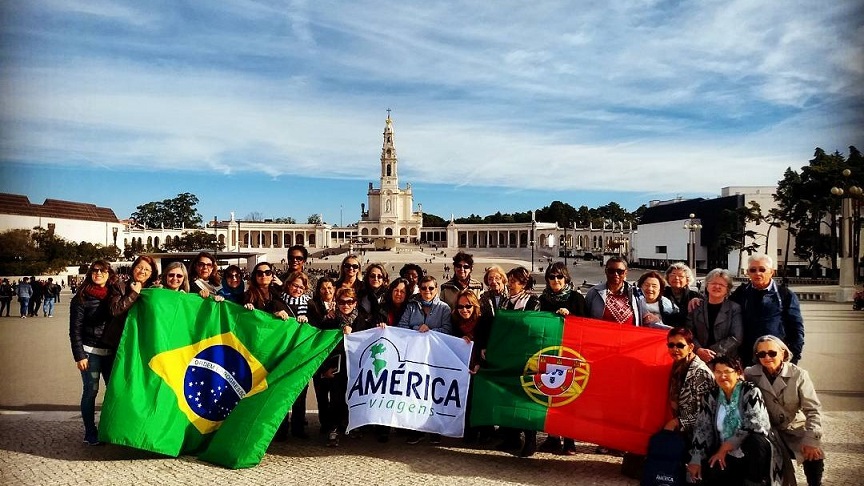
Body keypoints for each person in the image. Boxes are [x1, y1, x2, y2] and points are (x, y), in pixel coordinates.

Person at [745, 335, 824, 486]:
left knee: (815, 453)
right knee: (755, 449)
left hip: (794, 428)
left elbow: (813, 410)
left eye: (772, 353)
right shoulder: (750, 374)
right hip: (768, 430)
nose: (767, 357)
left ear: (783, 353)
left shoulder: (799, 374)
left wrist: (811, 439)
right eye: (761, 354)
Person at [687, 356, 773, 485]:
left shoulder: (750, 391)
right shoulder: (712, 396)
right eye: (718, 372)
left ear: (738, 373)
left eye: (727, 372)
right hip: (723, 451)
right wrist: (696, 459)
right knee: (711, 471)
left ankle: (755, 482)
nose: (722, 376)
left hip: (749, 451)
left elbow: (756, 425)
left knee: (755, 441)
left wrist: (725, 448)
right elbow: (702, 428)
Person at [538, 262, 587, 455]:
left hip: (571, 353)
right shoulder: (543, 299)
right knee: (551, 395)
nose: (555, 280)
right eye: (551, 277)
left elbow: (586, 324)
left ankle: (569, 440)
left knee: (569, 396)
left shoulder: (575, 298)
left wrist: (571, 316)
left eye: (559, 277)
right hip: (550, 352)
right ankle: (552, 438)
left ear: (566, 278)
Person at [69, 260, 121, 445]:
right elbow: (74, 329)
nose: (98, 273)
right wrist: (79, 356)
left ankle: (109, 428)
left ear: (109, 274)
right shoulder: (81, 297)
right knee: (91, 391)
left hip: (111, 352)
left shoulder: (115, 294)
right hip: (90, 352)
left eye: (103, 270)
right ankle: (90, 432)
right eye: (95, 270)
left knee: (114, 391)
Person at [398, 275, 452, 445]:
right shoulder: (412, 307)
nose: (427, 291)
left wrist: (430, 330)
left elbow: (449, 330)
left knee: (434, 393)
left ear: (436, 289)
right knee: (415, 392)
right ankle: (416, 429)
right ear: (419, 290)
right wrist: (417, 328)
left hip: (435, 357)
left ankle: (434, 429)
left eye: (430, 288)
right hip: (415, 356)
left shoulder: (444, 308)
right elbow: (401, 327)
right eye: (423, 288)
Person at [495, 266, 541, 457]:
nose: (510, 284)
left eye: (514, 281)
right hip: (508, 353)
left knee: (526, 396)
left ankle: (530, 439)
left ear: (523, 283)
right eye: (510, 280)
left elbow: (534, 324)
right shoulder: (506, 300)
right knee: (509, 394)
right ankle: (512, 436)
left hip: (526, 354)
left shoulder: (532, 300)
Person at [730, 254, 804, 366]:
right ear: (748, 272)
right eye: (753, 270)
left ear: (771, 272)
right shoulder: (741, 293)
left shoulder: (785, 295)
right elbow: (722, 305)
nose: (758, 273)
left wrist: (793, 356)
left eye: (762, 269)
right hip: (748, 358)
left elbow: (796, 328)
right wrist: (697, 299)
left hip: (775, 357)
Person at [317, 287, 364, 447]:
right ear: (336, 303)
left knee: (353, 397)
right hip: (336, 367)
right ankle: (333, 429)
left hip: (356, 367)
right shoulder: (329, 321)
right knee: (335, 398)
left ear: (355, 303)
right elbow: (321, 347)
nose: (346, 305)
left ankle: (351, 425)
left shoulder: (362, 320)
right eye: (342, 302)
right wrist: (324, 369)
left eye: (349, 302)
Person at [450, 289, 490, 444]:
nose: (464, 310)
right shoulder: (454, 321)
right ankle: (469, 431)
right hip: (463, 367)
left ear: (475, 306)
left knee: (480, 399)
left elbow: (487, 344)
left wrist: (480, 363)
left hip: (481, 366)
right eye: (460, 307)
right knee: (465, 399)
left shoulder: (484, 321)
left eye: (468, 306)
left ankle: (485, 431)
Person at [663, 327, 714, 440]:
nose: (675, 349)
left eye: (680, 345)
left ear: (691, 347)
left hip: (700, 436)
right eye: (671, 345)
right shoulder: (677, 366)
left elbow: (704, 412)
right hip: (682, 430)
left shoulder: (701, 372)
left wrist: (676, 422)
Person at [103, 255, 159, 349]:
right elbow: (114, 310)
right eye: (139, 267)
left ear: (151, 274)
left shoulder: (154, 291)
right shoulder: (119, 286)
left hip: (145, 340)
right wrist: (134, 293)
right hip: (121, 341)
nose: (142, 271)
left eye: (146, 270)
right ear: (133, 268)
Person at [688, 268, 743, 362]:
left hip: (726, 360)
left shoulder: (734, 308)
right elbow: (689, 333)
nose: (717, 286)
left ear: (727, 289)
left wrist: (711, 353)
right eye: (713, 283)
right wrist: (699, 350)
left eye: (721, 284)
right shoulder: (696, 306)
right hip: (698, 358)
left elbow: (736, 337)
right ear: (707, 286)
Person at [585, 257, 648, 326]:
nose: (615, 274)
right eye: (611, 271)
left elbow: (645, 316)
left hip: (629, 335)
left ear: (625, 273)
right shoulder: (593, 293)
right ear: (606, 271)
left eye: (620, 271)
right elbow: (584, 318)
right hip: (601, 335)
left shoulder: (637, 292)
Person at [664, 263, 701, 327]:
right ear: (668, 278)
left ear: (687, 280)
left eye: (680, 276)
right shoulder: (661, 294)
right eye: (673, 275)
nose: (676, 278)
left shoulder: (695, 296)